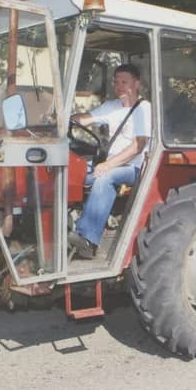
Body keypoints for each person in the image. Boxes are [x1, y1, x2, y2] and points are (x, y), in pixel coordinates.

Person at [67, 64, 151, 259]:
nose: (119, 86)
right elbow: (84, 119)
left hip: (135, 167)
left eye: (124, 82)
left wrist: (108, 164)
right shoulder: (112, 106)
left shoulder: (144, 109)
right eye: (116, 82)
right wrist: (61, 119)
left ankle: (88, 240)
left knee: (105, 177)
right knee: (70, 171)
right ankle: (62, 230)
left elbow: (138, 146)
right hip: (113, 163)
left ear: (136, 84)